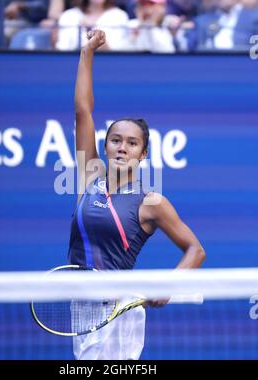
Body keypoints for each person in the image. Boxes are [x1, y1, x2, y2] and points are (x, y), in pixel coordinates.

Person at [69, 29, 206, 360]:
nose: (121, 147)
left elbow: (195, 250)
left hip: (119, 307)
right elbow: (83, 112)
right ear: (105, 145)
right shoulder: (89, 176)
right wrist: (87, 52)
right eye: (115, 140)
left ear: (142, 154)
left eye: (132, 143)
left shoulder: (151, 202)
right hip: (79, 301)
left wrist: (169, 285)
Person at [55, 0, 128, 51]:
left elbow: (117, 52)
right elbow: (62, 49)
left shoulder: (119, 16)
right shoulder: (68, 16)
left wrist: (96, 38)